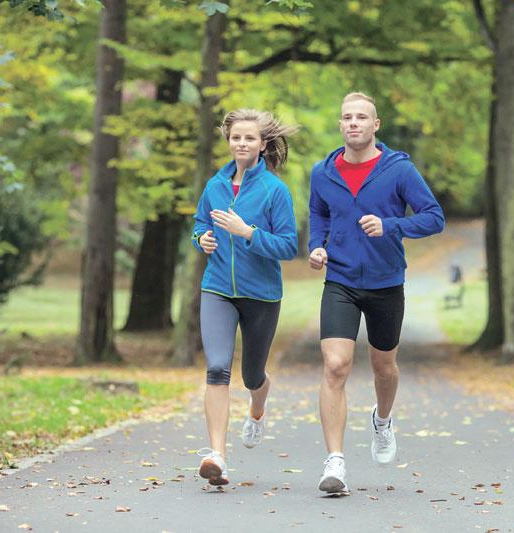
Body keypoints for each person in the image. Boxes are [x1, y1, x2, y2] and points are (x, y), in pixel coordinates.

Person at [307, 92, 445, 493]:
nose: (354, 123)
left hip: (386, 282)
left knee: (384, 367)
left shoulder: (398, 170)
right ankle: (335, 462)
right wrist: (317, 245)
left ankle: (382, 420)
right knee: (335, 365)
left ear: (375, 125)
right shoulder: (322, 172)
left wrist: (392, 226)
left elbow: (434, 218)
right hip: (341, 281)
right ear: (340, 125)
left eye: (361, 117)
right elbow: (318, 212)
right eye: (347, 117)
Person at [191, 109, 299, 486]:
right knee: (217, 367)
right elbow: (200, 223)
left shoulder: (275, 191)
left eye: (249, 138)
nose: (242, 143)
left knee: (252, 374)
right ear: (229, 142)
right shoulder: (214, 185)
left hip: (261, 295)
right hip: (218, 288)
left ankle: (257, 408)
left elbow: (288, 246)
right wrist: (201, 239)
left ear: (262, 145)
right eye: (236, 137)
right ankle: (217, 455)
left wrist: (248, 232)